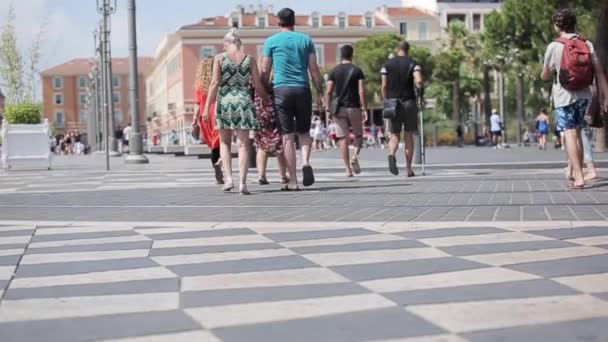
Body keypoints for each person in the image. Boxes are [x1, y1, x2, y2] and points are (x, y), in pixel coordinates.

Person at [541, 8, 608, 189]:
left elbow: (545, 75)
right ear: (574, 23)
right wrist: (606, 95)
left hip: (564, 96)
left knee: (570, 133)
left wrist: (549, 70)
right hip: (584, 95)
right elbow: (599, 71)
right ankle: (574, 171)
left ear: (557, 25)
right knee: (578, 132)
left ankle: (579, 176)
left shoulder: (554, 46)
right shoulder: (587, 44)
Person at [262, 7, 325, 191]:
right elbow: (314, 69)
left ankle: (294, 180)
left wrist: (264, 91)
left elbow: (265, 71)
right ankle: (305, 162)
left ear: (278, 21)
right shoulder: (306, 40)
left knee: (287, 137)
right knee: (304, 132)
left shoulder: (271, 41)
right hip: (303, 89)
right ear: (294, 21)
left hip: (281, 90)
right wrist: (320, 93)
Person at [203, 28, 268, 195]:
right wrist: (266, 99)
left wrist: (206, 107)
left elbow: (215, 83)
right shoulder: (250, 59)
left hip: (225, 102)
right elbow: (258, 85)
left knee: (225, 143)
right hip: (244, 102)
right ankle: (243, 184)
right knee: (244, 145)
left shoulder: (219, 58)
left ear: (227, 43)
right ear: (239, 43)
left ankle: (229, 179)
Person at [381, 40, 424, 177]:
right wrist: (420, 95)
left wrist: (386, 99)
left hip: (393, 103)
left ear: (397, 49)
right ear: (408, 50)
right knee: (409, 135)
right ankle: (408, 169)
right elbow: (418, 81)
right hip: (409, 102)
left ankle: (391, 154)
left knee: (394, 135)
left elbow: (384, 84)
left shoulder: (387, 64)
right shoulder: (413, 63)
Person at [326, 44, 368, 177]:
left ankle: (347, 169)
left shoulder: (334, 71)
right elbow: (361, 91)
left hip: (339, 109)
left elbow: (328, 91)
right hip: (354, 107)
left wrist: (328, 109)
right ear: (352, 55)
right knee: (358, 135)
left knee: (342, 138)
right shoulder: (357, 70)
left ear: (341, 55)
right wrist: (365, 108)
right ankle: (355, 156)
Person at [253, 58, 289, 186]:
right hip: (276, 113)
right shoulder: (278, 79)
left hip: (260, 113)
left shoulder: (256, 78)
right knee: (280, 145)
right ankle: (283, 176)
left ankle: (261, 175)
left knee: (262, 146)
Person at [193, 57, 224, 185]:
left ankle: (217, 169)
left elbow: (197, 104)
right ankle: (221, 162)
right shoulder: (219, 81)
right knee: (223, 142)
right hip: (218, 111)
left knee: (213, 146)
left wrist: (194, 120)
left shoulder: (200, 86)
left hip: (205, 116)